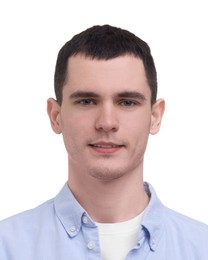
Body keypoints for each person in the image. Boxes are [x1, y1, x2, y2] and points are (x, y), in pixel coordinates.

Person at [0, 24, 208, 260]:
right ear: (55, 116)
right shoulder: (7, 247)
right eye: (87, 101)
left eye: (127, 102)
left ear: (155, 117)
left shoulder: (202, 248)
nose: (107, 122)